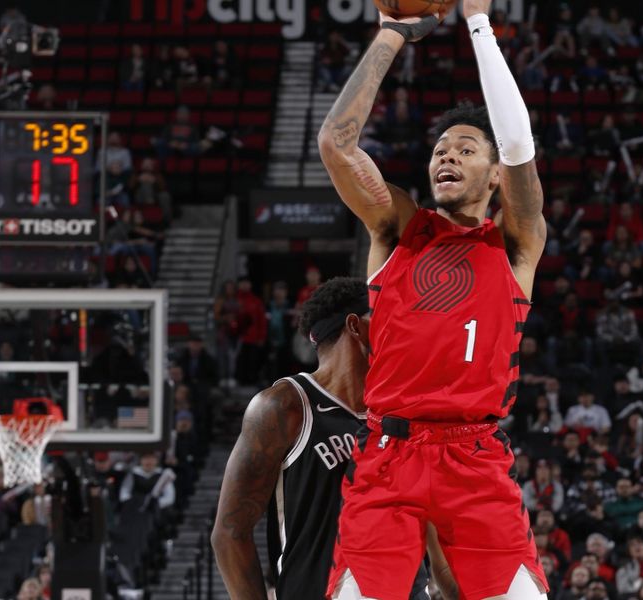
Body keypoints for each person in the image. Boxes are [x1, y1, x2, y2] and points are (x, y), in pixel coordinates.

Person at [316, 1, 548, 597]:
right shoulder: (397, 229)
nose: (447, 155)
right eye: (441, 149)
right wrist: (392, 34)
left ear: (494, 176)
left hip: (475, 459)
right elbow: (337, 146)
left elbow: (518, 145)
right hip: (389, 455)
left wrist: (477, 24)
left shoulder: (515, 243)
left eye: (466, 149)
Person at [211, 279, 440, 599]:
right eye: (389, 320)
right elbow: (230, 533)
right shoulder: (286, 405)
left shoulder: (407, 411)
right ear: (356, 326)